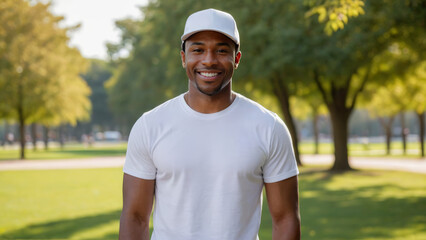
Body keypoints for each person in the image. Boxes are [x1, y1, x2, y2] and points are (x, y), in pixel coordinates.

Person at [119, 8, 300, 240]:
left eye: (221, 50)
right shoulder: (150, 126)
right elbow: (135, 217)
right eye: (198, 49)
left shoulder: (269, 127)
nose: (209, 60)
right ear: (184, 57)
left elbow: (286, 218)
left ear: (237, 59)